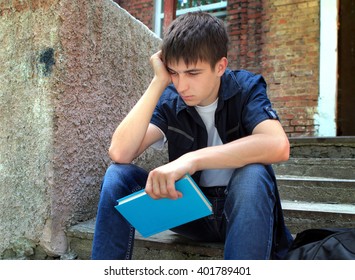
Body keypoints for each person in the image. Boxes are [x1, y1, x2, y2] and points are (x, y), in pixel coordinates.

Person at [91, 11, 293, 260]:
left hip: (243, 209)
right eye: (174, 73)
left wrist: (192, 159)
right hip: (190, 212)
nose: (181, 85)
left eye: (193, 73)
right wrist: (158, 82)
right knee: (117, 175)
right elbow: (120, 152)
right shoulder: (171, 100)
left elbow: (277, 145)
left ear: (220, 66)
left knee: (253, 173)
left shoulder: (246, 88)